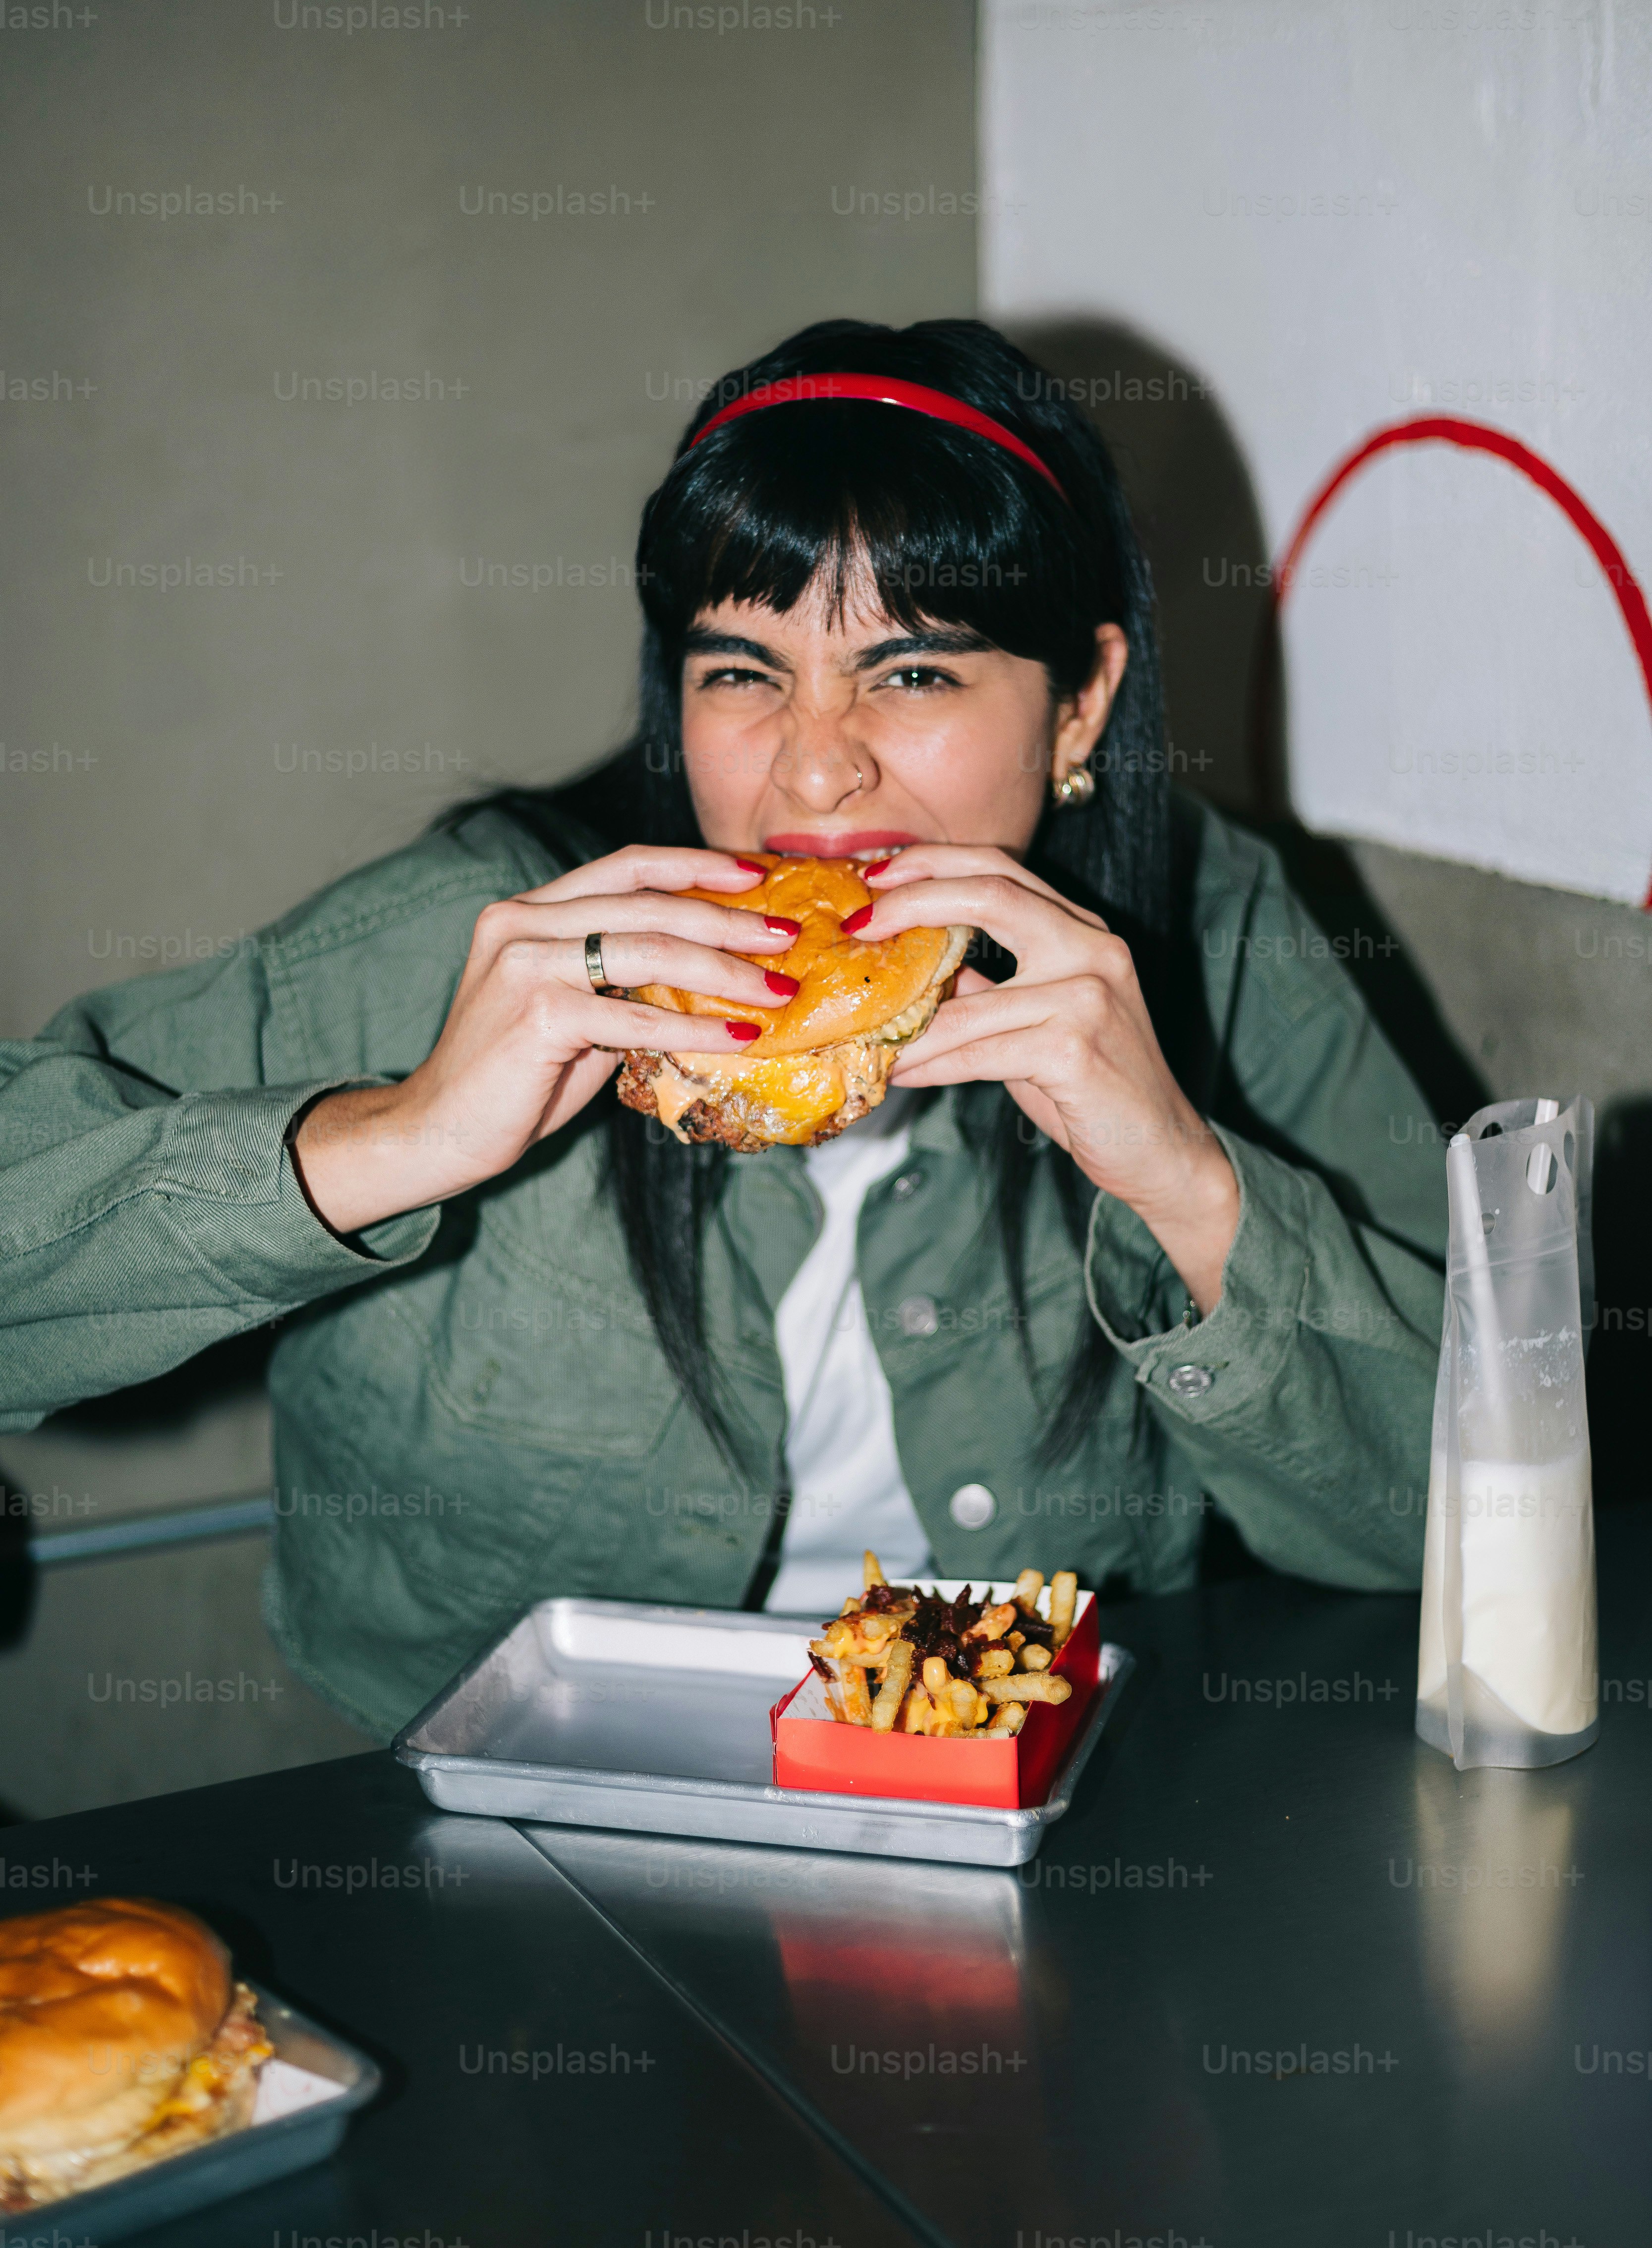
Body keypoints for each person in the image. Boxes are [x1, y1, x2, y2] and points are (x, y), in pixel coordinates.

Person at [0, 319, 1446, 1737]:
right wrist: (388, 1140)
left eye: (916, 671)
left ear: (1081, 706)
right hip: (492, 1848)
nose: (816, 772)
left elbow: (1454, 1536)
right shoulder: (472, 937)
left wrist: (1191, 1187)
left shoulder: (1215, 939)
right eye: (743, 674)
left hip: (1040, 1833)